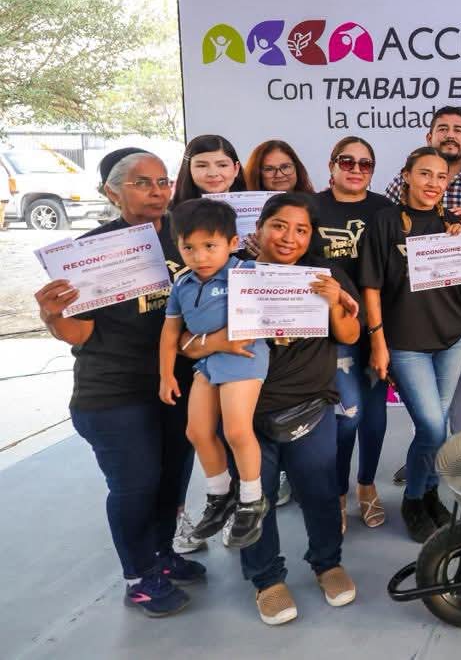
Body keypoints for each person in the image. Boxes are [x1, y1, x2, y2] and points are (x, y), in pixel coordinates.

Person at [33, 148, 201, 616]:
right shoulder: (89, 253)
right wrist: (53, 314)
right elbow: (80, 334)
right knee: (136, 483)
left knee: (172, 476)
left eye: (163, 181)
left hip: (176, 383)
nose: (157, 191)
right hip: (114, 391)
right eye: (142, 183)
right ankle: (139, 576)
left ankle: (162, 554)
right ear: (112, 192)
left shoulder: (185, 236)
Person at [180, 192, 361, 623]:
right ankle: (266, 579)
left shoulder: (325, 276)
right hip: (245, 415)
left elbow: (351, 335)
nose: (289, 237)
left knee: (319, 491)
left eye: (301, 230)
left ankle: (328, 564)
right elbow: (184, 343)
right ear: (259, 228)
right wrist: (219, 341)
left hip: (310, 406)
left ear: (311, 236)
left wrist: (334, 302)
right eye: (279, 225)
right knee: (253, 499)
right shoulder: (227, 273)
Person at [363, 147, 461, 541]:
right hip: (406, 342)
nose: (433, 183)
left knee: (436, 427)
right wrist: (378, 341)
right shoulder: (385, 221)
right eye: (425, 174)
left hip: (452, 337)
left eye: (441, 176)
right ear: (407, 175)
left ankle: (428, 493)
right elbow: (371, 286)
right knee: (431, 425)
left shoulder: (453, 222)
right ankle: (413, 498)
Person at [384, 107, 461, 438]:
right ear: (429, 136)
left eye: (457, 129)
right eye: (442, 129)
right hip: (418, 297)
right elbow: (389, 232)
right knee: (424, 382)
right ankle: (426, 450)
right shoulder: (403, 181)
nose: (450, 135)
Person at [159, 199, 271, 548]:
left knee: (237, 430)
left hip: (244, 359)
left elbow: (288, 290)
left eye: (210, 246)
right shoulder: (182, 284)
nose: (200, 256)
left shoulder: (246, 271)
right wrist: (166, 375)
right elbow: (170, 333)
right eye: (188, 248)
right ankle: (219, 495)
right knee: (196, 431)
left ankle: (251, 499)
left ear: (232, 243)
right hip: (206, 362)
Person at [313, 137, 394, 530]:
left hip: (378, 326)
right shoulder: (311, 207)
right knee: (347, 416)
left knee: (374, 416)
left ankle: (366, 485)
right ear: (331, 165)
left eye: (366, 164)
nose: (356, 169)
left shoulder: (385, 209)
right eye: (347, 161)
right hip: (333, 330)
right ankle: (337, 491)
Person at [171, 134, 247, 206]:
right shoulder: (170, 213)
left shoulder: (253, 209)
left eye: (222, 165)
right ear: (188, 169)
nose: (213, 174)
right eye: (202, 166)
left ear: (236, 169)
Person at [244, 139, 316, 193]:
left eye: (285, 167)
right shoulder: (243, 206)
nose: (279, 175)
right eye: (269, 169)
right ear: (257, 174)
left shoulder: (317, 204)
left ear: (297, 168)